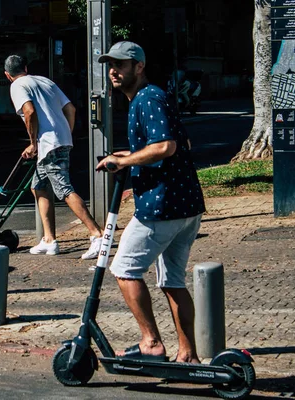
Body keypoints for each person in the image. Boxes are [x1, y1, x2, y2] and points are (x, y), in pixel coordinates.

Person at [96, 41, 206, 363]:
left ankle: (151, 343)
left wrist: (127, 163)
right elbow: (182, 140)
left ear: (139, 67)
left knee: (125, 269)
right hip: (185, 206)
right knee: (172, 281)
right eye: (111, 65)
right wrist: (126, 156)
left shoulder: (147, 98)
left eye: (121, 65)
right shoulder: (154, 97)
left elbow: (166, 147)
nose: (114, 71)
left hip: (162, 205)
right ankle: (188, 356)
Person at [4, 55, 104, 259]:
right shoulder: (45, 81)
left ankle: (97, 235)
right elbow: (71, 109)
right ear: (25, 67)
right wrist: (65, 132)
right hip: (58, 141)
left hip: (48, 145)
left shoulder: (17, 86)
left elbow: (29, 112)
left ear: (7, 75)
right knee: (38, 187)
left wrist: (33, 143)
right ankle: (49, 240)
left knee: (64, 190)